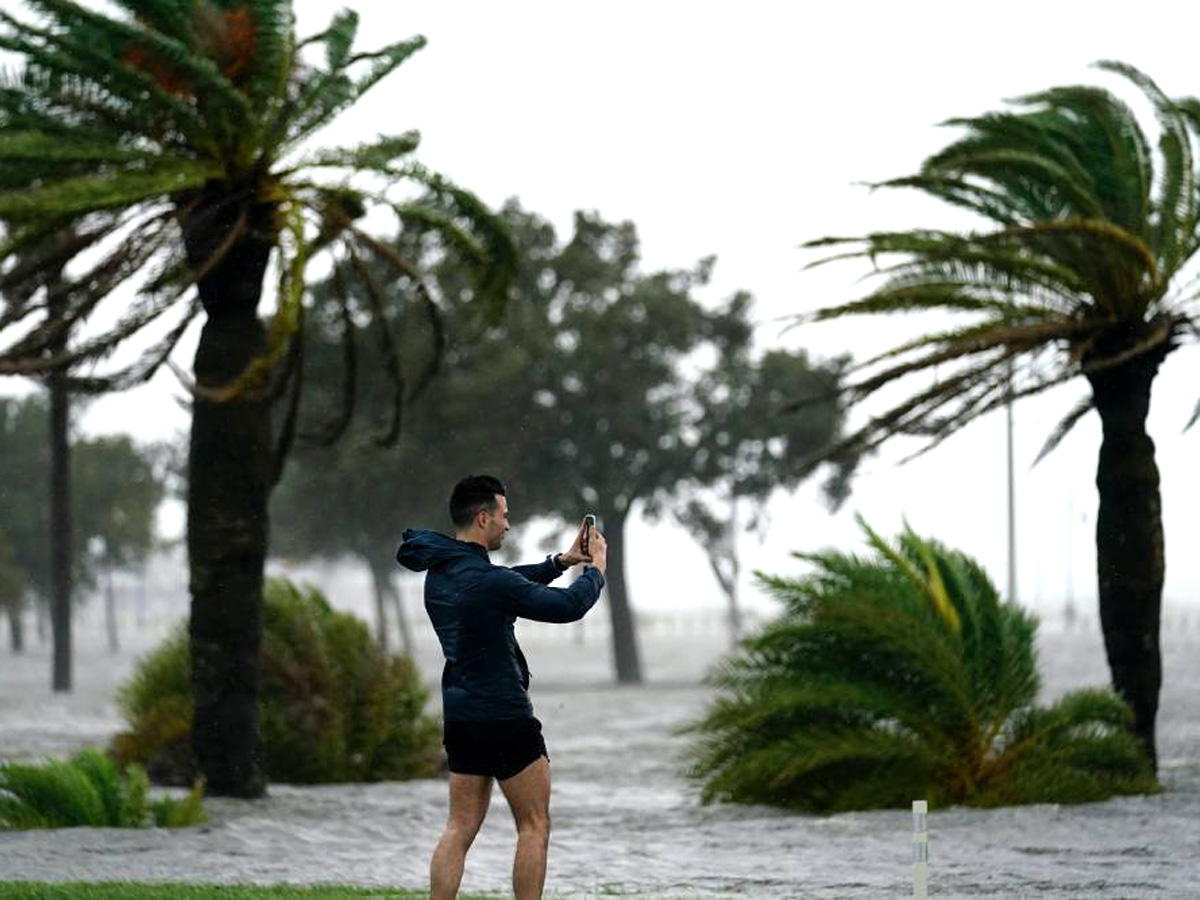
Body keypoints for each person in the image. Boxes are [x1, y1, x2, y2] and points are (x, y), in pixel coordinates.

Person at [395, 474, 607, 900]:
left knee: (459, 827)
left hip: (461, 716)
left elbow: (507, 583)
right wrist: (595, 569)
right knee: (534, 826)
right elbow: (567, 606)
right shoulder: (488, 582)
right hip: (505, 716)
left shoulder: (442, 573)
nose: (508, 525)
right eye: (505, 516)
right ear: (482, 517)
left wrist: (561, 562)